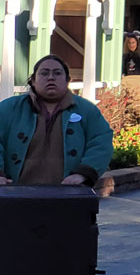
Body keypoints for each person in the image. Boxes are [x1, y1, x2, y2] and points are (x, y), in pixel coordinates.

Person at [0, 55, 113, 186]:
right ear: (33, 80)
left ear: (67, 81)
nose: (51, 77)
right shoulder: (8, 109)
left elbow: (101, 141)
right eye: (44, 73)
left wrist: (83, 173)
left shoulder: (87, 110)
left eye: (57, 73)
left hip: (68, 194)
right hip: (16, 193)